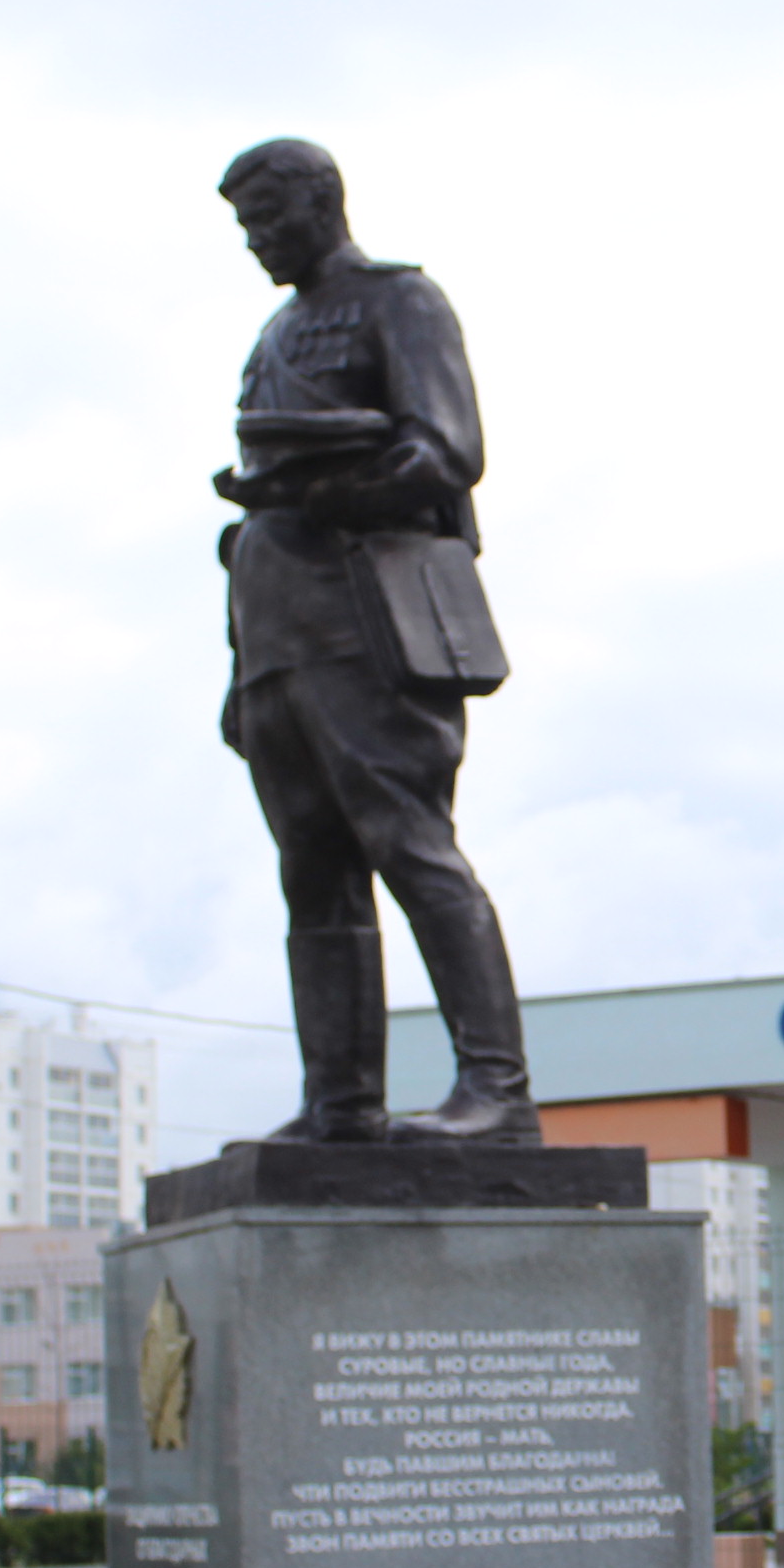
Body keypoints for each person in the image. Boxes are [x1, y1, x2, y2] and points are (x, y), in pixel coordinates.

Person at [210, 137, 537, 1145]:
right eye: (244, 225)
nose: (257, 239)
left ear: (322, 204)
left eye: (268, 217)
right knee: (312, 870)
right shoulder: (275, 331)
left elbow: (447, 449)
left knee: (410, 847)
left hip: (371, 618)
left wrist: (322, 482)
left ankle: (497, 1093)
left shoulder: (402, 301)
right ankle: (339, 1103)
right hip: (275, 624)